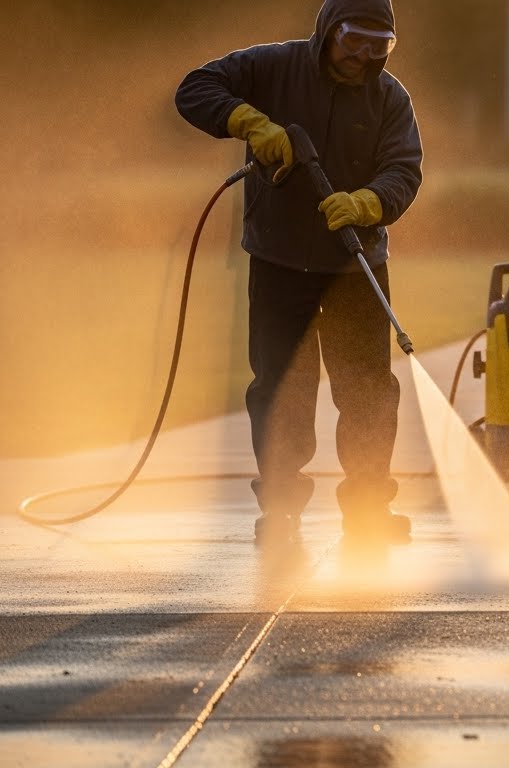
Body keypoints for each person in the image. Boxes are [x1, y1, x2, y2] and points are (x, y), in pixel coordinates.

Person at [175, 0, 422, 545]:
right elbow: (194, 88)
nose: (363, 54)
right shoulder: (272, 67)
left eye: (378, 44)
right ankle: (282, 510)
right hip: (279, 259)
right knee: (283, 387)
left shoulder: (390, 98)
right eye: (354, 39)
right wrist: (249, 121)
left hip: (355, 264)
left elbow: (404, 170)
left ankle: (368, 511)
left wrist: (367, 204)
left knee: (366, 391)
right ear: (329, 29)